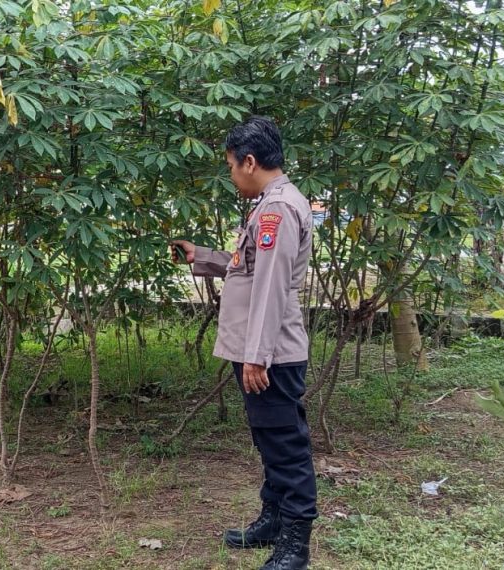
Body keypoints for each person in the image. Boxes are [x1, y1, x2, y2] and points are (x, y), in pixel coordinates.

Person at [171, 116, 316, 570]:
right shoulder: (270, 204)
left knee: (285, 446)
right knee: (269, 439)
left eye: (232, 166)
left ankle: (295, 545)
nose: (232, 175)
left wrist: (257, 357)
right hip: (262, 350)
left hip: (270, 353)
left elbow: (271, 286)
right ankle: (273, 519)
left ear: (250, 162)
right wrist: (202, 257)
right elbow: (248, 266)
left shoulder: (277, 210)